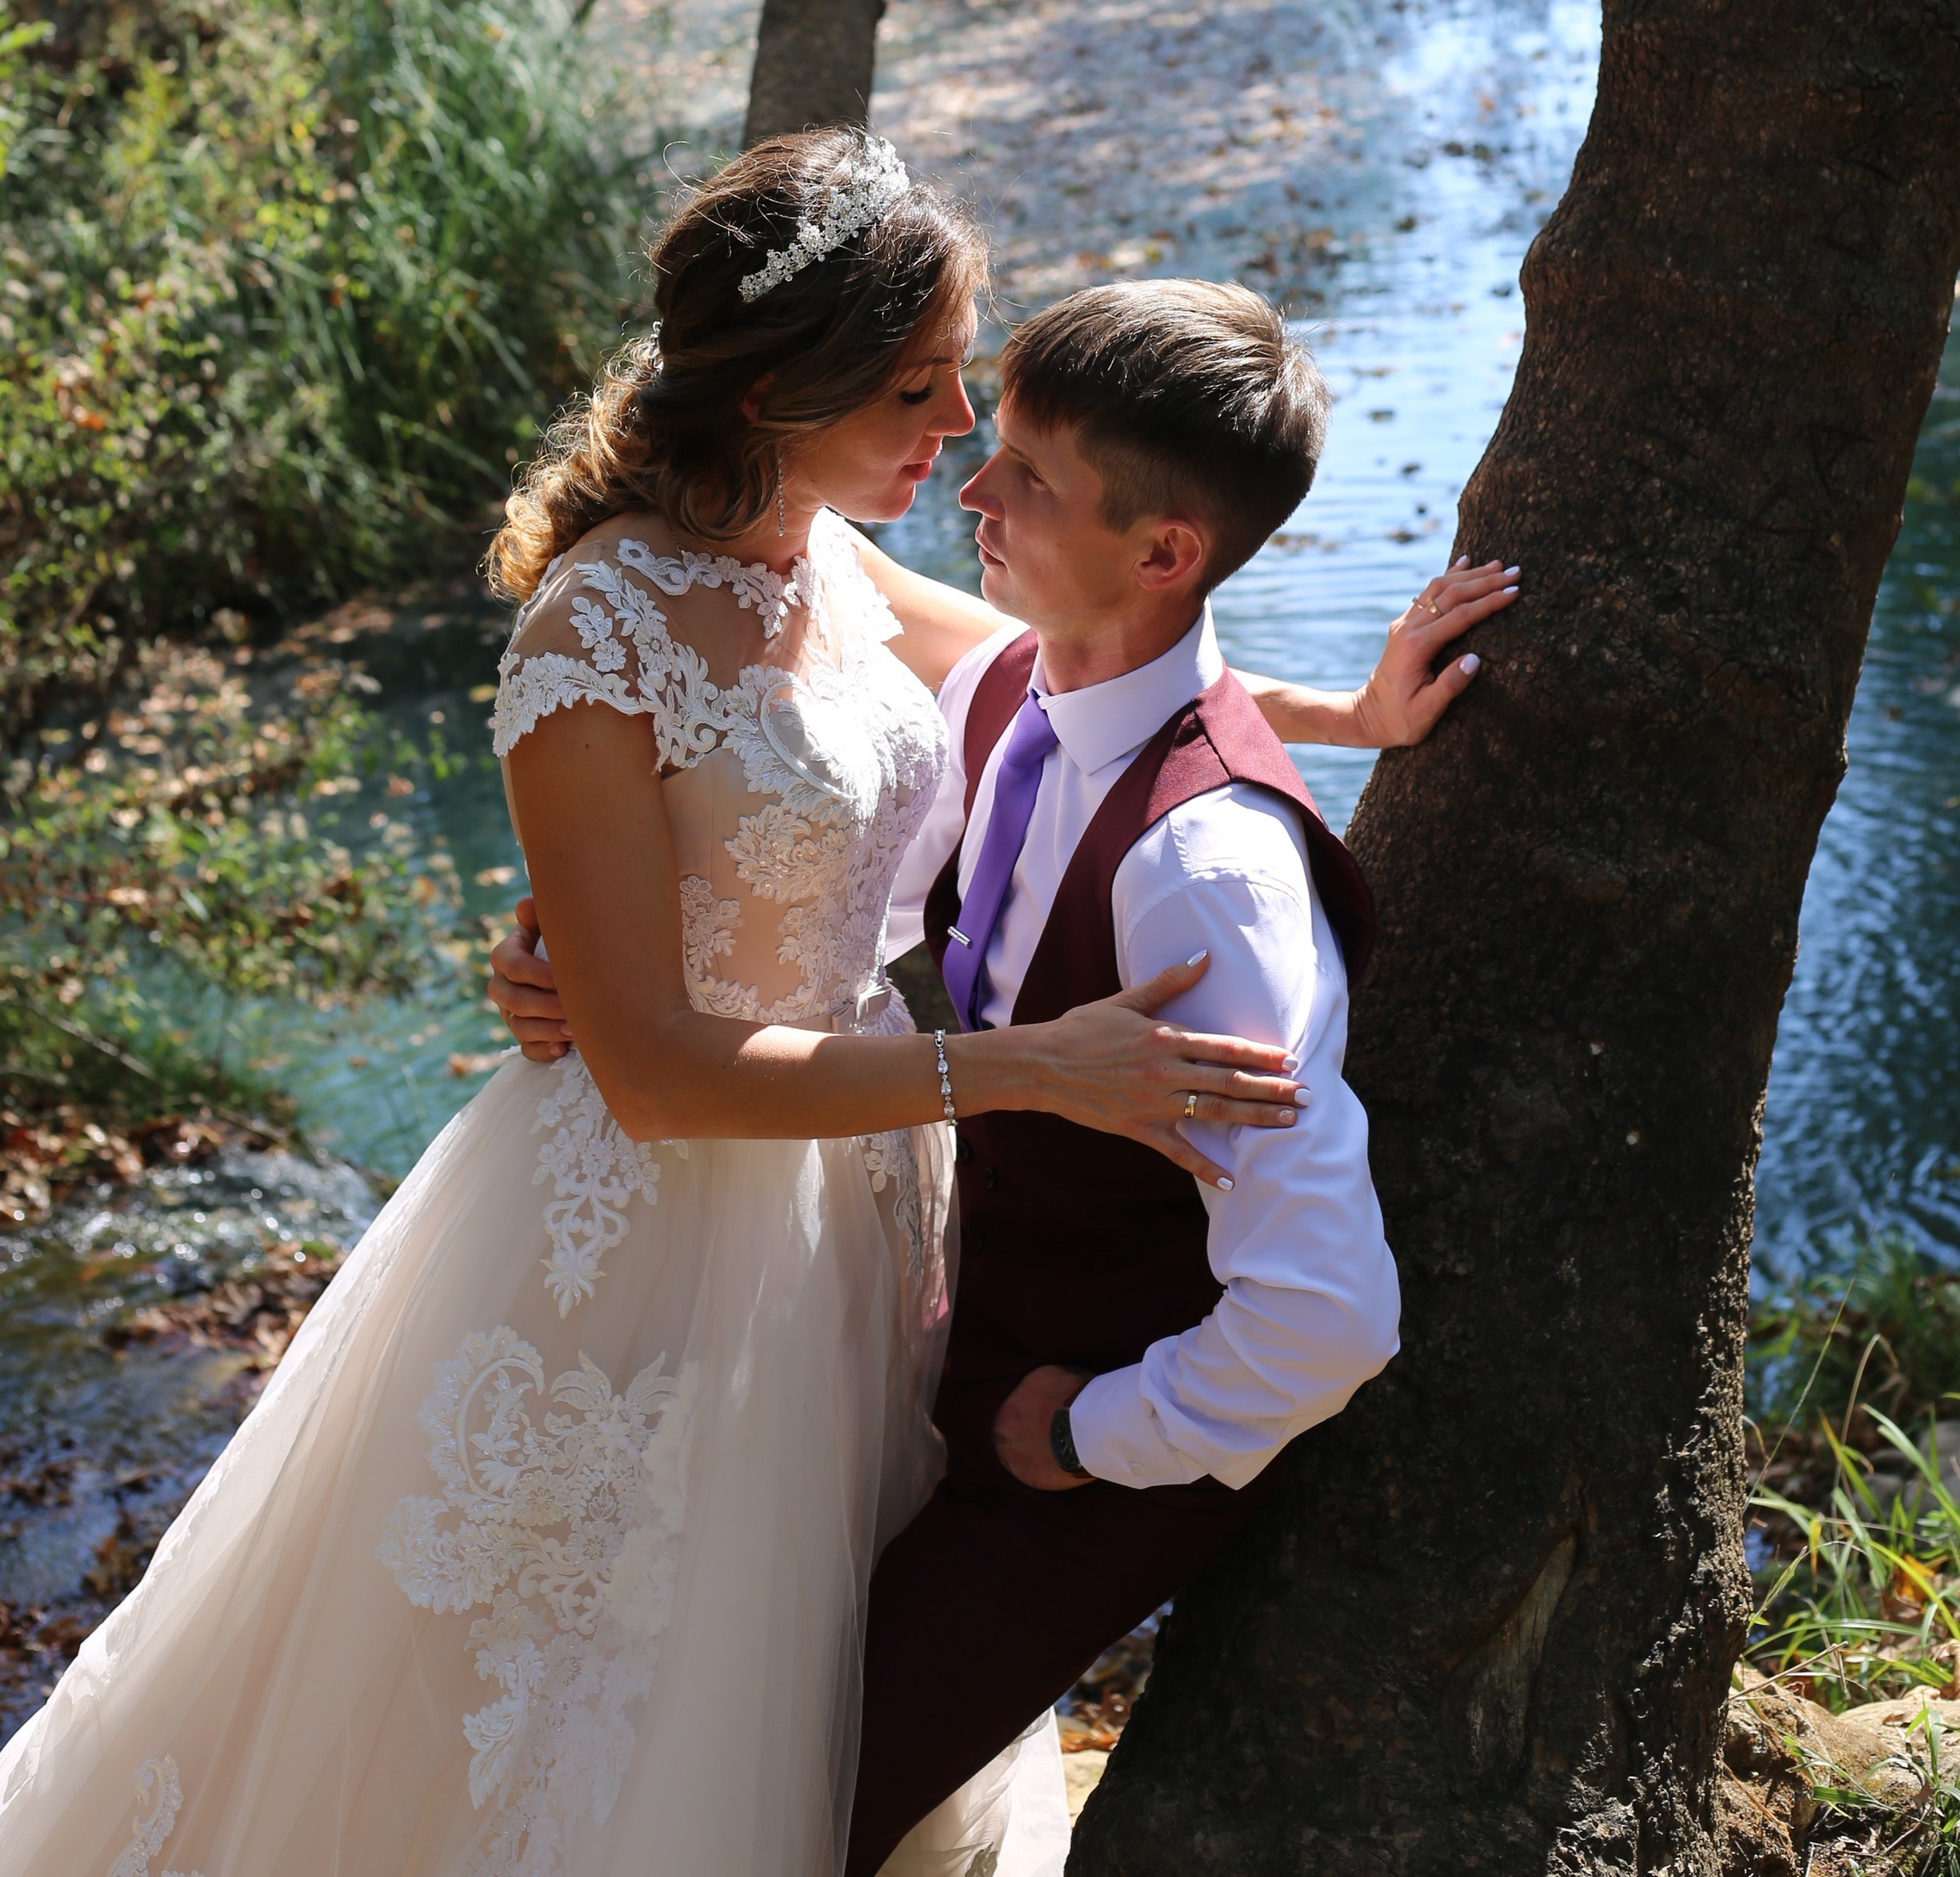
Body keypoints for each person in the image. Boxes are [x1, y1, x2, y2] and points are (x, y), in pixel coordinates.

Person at [0, 130, 1475, 1877]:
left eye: (963, 385)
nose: (951, 431)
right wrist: (1013, 1067)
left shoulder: (826, 554)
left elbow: (1076, 661)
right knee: (530, 1682)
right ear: (778, 393)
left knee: (770, 1668)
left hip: (855, 1206)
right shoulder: (591, 630)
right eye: (914, 386)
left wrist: (1344, 715)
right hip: (645, 1214)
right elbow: (650, 1068)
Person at [490, 233, 1519, 1869]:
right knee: (639, 1704)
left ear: (1162, 547)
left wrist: (1088, 1432)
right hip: (912, 1352)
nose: (970, 482)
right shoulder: (1003, 704)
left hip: (1064, 1448)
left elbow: (1328, 1312)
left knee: (776, 1819)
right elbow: (832, 824)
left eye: (1024, 477)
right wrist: (604, 952)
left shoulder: (1209, 879)